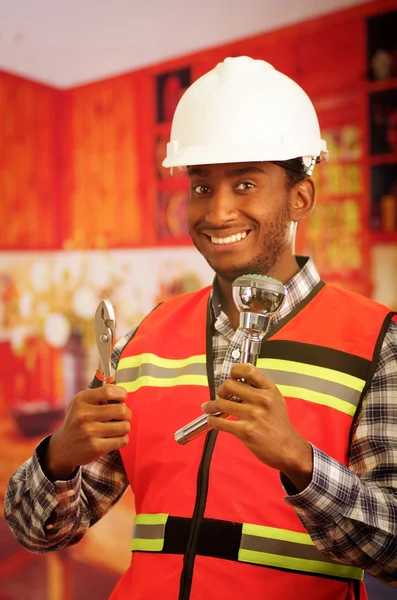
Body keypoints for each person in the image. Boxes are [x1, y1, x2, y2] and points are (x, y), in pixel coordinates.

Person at [4, 57, 397, 600]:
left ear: (300, 197)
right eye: (203, 187)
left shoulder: (377, 342)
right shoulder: (146, 339)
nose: (219, 212)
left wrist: (300, 462)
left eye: (245, 183)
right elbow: (40, 532)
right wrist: (58, 457)